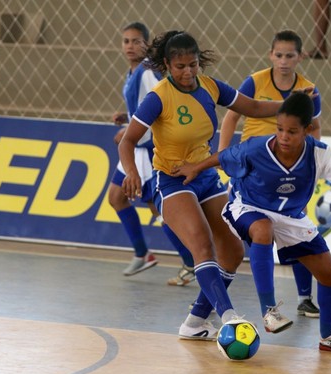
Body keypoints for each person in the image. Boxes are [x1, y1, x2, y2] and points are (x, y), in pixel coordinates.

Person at [171, 91, 331, 353]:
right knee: (263, 229)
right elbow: (222, 157)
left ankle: (328, 337)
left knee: (329, 276)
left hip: (291, 217)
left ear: (307, 130)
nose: (283, 137)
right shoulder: (256, 148)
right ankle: (269, 311)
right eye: (280, 129)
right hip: (247, 206)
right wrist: (196, 167)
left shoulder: (320, 155)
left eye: (292, 132)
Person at [118, 30, 289, 340]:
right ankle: (229, 317)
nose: (187, 73)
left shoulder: (210, 87)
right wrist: (131, 172)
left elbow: (252, 107)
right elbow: (127, 141)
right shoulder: (158, 97)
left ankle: (195, 322)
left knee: (234, 250)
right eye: (180, 66)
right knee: (201, 244)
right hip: (172, 179)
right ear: (167, 65)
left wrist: (289, 104)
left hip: (206, 177)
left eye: (193, 65)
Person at [219, 30, 322, 328]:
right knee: (238, 237)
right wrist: (224, 152)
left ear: (300, 57)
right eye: (279, 55)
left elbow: (313, 128)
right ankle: (211, 298)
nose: (284, 60)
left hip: (287, 167)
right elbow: (232, 116)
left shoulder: (308, 89)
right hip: (252, 166)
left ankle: (304, 297)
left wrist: (309, 163)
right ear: (270, 56)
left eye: (290, 55)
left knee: (296, 228)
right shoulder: (255, 81)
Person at [109, 22, 196, 285]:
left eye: (136, 41)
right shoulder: (133, 71)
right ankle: (143, 253)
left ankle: (191, 261)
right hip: (135, 148)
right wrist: (128, 118)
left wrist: (129, 132)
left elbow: (162, 103)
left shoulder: (147, 71)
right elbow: (145, 106)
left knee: (159, 209)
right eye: (126, 41)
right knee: (116, 198)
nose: (130, 46)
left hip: (145, 149)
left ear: (146, 44)